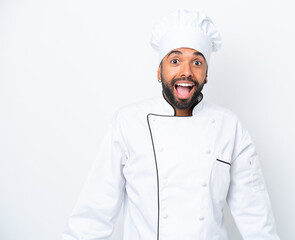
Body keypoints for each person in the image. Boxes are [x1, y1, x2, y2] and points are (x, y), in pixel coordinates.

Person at [62, 9, 280, 240]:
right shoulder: (128, 123)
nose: (186, 71)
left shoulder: (229, 127)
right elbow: (94, 214)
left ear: (206, 74)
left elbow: (256, 218)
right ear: (159, 70)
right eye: (175, 61)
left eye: (197, 62)